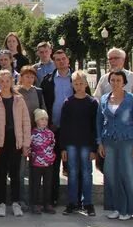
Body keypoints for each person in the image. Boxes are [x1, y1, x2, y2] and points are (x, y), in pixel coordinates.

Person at [97, 70, 133, 220]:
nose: (115, 83)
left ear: (124, 82)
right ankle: (115, 207)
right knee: (111, 175)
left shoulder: (131, 99)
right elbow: (99, 122)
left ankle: (129, 208)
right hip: (109, 141)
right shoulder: (104, 99)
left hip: (127, 141)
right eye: (112, 80)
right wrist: (100, 142)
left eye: (118, 80)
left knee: (129, 174)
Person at [0, 70, 31, 217]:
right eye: (2, 81)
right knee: (1, 173)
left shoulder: (19, 99)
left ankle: (16, 203)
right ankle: (1, 203)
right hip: (1, 141)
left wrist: (26, 144)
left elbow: (26, 122)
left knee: (16, 174)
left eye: (7, 81)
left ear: (12, 81)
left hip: (16, 140)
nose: (5, 84)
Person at [59, 71, 98, 216]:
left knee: (87, 173)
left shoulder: (92, 102)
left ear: (86, 84)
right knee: (73, 173)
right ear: (72, 85)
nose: (79, 86)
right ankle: (72, 202)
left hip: (87, 144)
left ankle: (88, 203)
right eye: (76, 84)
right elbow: (64, 126)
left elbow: (95, 126)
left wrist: (94, 147)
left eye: (81, 83)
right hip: (71, 144)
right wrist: (63, 147)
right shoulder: (68, 102)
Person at [41, 48, 73, 207]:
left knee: (72, 166)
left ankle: (74, 199)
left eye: (63, 59)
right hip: (53, 128)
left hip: (72, 130)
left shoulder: (77, 78)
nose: (61, 61)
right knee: (52, 166)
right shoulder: (48, 80)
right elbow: (43, 103)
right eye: (57, 59)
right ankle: (52, 198)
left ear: (68, 60)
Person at [15, 65, 45, 207]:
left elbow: (43, 112)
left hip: (36, 135)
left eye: (32, 76)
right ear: (21, 77)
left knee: (36, 169)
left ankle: (35, 200)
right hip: (20, 135)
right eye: (27, 76)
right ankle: (21, 199)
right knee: (20, 170)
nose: (29, 79)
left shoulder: (38, 92)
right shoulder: (15, 92)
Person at [28, 109, 55, 215]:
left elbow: (52, 145)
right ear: (36, 121)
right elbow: (30, 147)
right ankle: (35, 204)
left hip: (48, 163)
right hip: (36, 163)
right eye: (41, 119)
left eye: (46, 119)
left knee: (48, 184)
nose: (44, 121)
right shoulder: (33, 133)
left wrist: (50, 156)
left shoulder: (50, 133)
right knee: (36, 184)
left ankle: (47, 203)